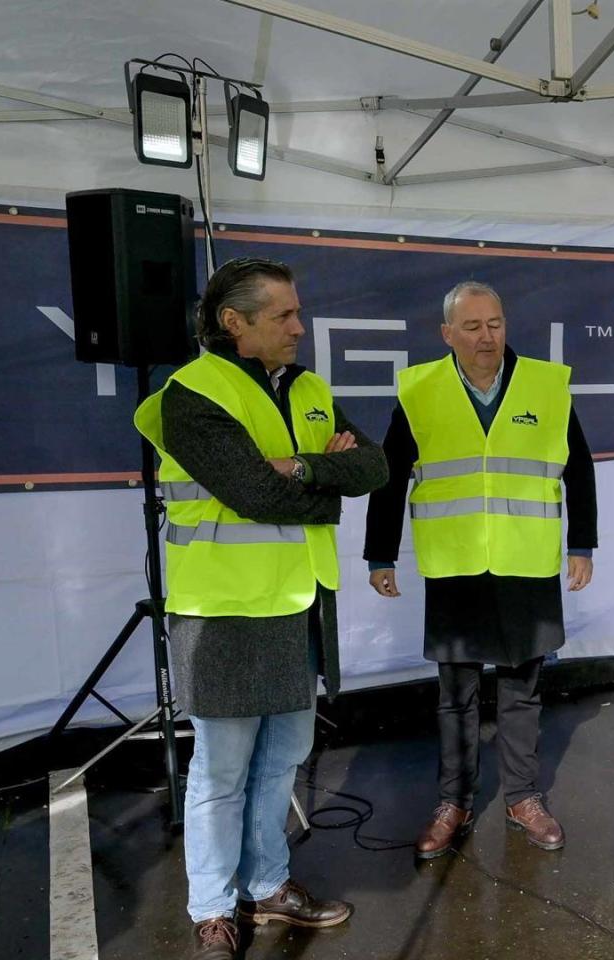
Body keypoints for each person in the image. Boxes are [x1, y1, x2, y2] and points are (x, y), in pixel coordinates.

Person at [133, 257, 388, 960]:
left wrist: (304, 465)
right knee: (220, 770)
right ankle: (214, 909)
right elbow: (257, 496)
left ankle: (269, 887)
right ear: (233, 323)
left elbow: (375, 467)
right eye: (284, 315)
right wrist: (320, 481)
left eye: (298, 313)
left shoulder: (306, 389)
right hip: (223, 613)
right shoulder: (191, 395)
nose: (299, 327)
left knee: (283, 761)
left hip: (297, 605)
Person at [364, 280, 596, 859]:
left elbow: (580, 469)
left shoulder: (547, 385)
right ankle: (455, 800)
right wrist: (380, 554)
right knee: (454, 692)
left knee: (522, 690)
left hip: (526, 559)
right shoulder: (421, 391)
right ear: (447, 334)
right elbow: (390, 476)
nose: (485, 336)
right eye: (471, 326)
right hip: (456, 562)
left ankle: (522, 796)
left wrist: (582, 546)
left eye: (494, 323)